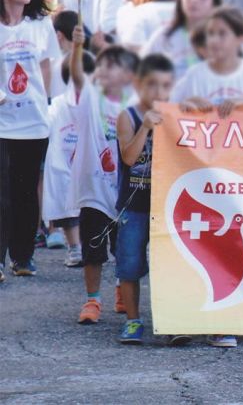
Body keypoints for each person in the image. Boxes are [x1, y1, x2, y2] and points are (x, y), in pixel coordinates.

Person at [69, 26, 139, 323]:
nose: (106, 71)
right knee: (93, 249)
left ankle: (121, 293)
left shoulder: (134, 103)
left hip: (124, 191)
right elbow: (75, 73)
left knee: (124, 249)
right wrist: (77, 48)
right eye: (102, 65)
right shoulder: (89, 96)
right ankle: (92, 300)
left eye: (115, 66)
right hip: (94, 191)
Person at [0, 0, 61, 281]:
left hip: (33, 122)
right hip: (1, 122)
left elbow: (47, 66)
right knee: (2, 192)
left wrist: (43, 100)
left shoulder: (39, 24)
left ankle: (23, 256)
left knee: (25, 191)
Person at [115, 53, 179, 345]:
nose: (158, 92)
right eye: (152, 85)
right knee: (129, 264)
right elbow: (129, 157)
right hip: (134, 203)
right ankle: (132, 320)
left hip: (165, 204)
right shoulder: (127, 116)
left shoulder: (176, 114)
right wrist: (146, 127)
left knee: (170, 264)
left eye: (165, 86)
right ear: (139, 84)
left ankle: (174, 321)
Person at [173, 7, 243, 121]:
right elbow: (170, 115)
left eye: (222, 34)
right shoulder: (194, 75)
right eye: (210, 33)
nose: (214, 40)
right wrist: (186, 105)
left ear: (240, 39)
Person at [43, 52, 95, 269]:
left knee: (89, 208)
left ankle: (86, 247)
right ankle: (75, 247)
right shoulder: (57, 105)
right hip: (63, 162)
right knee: (67, 210)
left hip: (88, 164)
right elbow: (45, 123)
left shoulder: (97, 102)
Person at [142, 0, 221, 79]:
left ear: (214, 3)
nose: (194, 0)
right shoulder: (164, 36)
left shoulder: (224, 38)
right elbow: (142, 72)